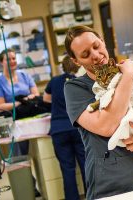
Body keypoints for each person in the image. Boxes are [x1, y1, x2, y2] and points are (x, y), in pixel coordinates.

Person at [63, 25, 133, 200]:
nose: (96, 55)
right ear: (76, 61)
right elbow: (107, 125)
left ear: (103, 42)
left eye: (96, 46)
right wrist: (127, 76)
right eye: (85, 54)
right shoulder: (76, 88)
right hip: (114, 183)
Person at [0, 48, 41, 196]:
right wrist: (20, 103)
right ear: (1, 62)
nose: (12, 61)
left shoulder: (25, 75)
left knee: (41, 152)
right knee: (20, 154)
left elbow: (36, 94)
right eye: (9, 59)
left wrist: (26, 101)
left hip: (31, 119)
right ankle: (29, 186)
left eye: (14, 58)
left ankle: (41, 182)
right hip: (14, 122)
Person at [43, 55, 86, 200]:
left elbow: (45, 99)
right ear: (78, 65)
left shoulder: (54, 81)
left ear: (62, 67)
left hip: (59, 130)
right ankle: (93, 196)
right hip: (77, 129)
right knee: (87, 166)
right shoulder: (80, 81)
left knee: (67, 169)